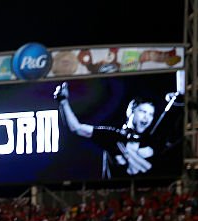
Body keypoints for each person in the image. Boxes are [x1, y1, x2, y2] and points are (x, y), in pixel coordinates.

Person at [54, 73, 184, 179]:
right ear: (131, 111)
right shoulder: (112, 136)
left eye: (150, 114)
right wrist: (63, 101)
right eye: (143, 112)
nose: (147, 117)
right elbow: (77, 128)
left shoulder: (154, 139)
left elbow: (175, 106)